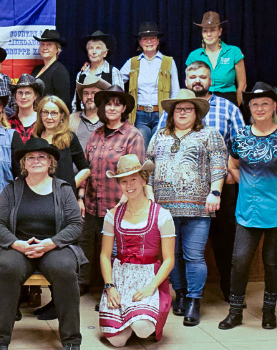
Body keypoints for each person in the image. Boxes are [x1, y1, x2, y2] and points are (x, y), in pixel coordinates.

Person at [157, 61, 246, 302]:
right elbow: (157, 149)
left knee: (224, 241)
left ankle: (230, 291)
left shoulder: (228, 109)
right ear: (186, 81)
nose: (198, 80)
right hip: (177, 194)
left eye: (203, 76)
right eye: (193, 76)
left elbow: (241, 146)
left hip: (220, 189)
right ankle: (184, 293)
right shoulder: (170, 112)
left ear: (211, 80)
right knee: (179, 247)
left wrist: (229, 170)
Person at [219, 83, 277, 330]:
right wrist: (241, 181)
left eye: (264, 103)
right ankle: (235, 312)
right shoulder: (241, 136)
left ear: (274, 106)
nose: (259, 108)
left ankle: (269, 311)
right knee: (240, 261)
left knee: (273, 262)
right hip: (247, 210)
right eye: (254, 104)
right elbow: (232, 165)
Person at [0, 141, 84, 350]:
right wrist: (17, 244)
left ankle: (71, 340)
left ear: (50, 162)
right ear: (24, 163)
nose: (36, 161)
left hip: (54, 246)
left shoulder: (64, 190)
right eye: (31, 157)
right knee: (8, 268)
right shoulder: (11, 189)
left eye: (42, 157)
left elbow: (76, 224)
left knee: (65, 269)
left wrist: (51, 243)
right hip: (19, 246)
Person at [147, 89, 227, 327]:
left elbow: (219, 166)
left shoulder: (209, 134)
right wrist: (150, 196)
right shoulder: (159, 135)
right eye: (178, 109)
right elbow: (148, 168)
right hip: (164, 208)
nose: (183, 113)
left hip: (198, 208)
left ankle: (194, 300)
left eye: (188, 109)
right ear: (171, 113)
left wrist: (215, 192)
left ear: (196, 113)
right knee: (173, 256)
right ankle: (179, 294)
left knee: (193, 255)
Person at [98, 155, 174, 346]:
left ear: (143, 179)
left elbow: (169, 260)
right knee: (116, 341)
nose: (129, 185)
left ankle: (139, 319)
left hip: (148, 277)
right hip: (120, 277)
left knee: (142, 328)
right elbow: (105, 256)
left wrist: (151, 286)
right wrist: (109, 286)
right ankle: (128, 319)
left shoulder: (162, 216)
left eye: (133, 179)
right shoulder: (112, 215)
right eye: (124, 181)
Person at [78, 86, 144, 294]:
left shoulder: (132, 135)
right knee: (85, 243)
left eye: (117, 104)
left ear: (124, 108)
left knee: (116, 250)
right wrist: (80, 197)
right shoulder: (96, 134)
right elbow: (85, 168)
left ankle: (114, 291)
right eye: (108, 103)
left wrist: (124, 202)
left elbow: (136, 174)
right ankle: (82, 284)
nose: (112, 108)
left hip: (117, 205)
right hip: (90, 203)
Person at [119, 22, 180, 145]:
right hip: (140, 116)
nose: (149, 42)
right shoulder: (133, 62)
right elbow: (116, 80)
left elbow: (175, 91)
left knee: (160, 149)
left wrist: (172, 115)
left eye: (152, 38)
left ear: (157, 41)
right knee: (142, 151)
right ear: (140, 43)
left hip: (162, 114)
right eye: (145, 39)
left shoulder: (168, 62)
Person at [33, 96, 91, 198]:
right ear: (40, 115)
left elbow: (85, 169)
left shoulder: (69, 138)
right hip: (39, 196)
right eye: (45, 112)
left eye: (54, 113)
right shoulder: (35, 139)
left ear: (62, 116)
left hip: (64, 198)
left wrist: (69, 187)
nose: (49, 117)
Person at [185, 12, 246, 106]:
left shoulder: (233, 52)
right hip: (201, 101)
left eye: (212, 30)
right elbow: (189, 85)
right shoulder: (194, 55)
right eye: (205, 31)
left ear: (220, 31)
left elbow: (242, 85)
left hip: (228, 101)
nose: (209, 34)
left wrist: (235, 106)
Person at [72, 30, 123, 112]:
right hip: (84, 119)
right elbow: (75, 103)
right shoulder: (81, 74)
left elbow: (119, 102)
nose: (94, 52)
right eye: (91, 48)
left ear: (105, 53)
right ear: (87, 52)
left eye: (98, 48)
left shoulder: (113, 72)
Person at [31, 29, 73, 105]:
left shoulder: (60, 71)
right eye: (42, 44)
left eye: (49, 44)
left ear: (57, 49)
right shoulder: (36, 69)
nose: (45, 47)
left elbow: (63, 103)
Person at [69, 75, 110, 149]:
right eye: (86, 93)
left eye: (94, 93)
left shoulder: (110, 120)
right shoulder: (71, 120)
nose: (89, 97)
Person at [9, 74, 45, 143]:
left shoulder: (43, 120)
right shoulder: (8, 123)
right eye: (20, 93)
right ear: (15, 96)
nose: (23, 97)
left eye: (28, 93)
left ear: (36, 96)